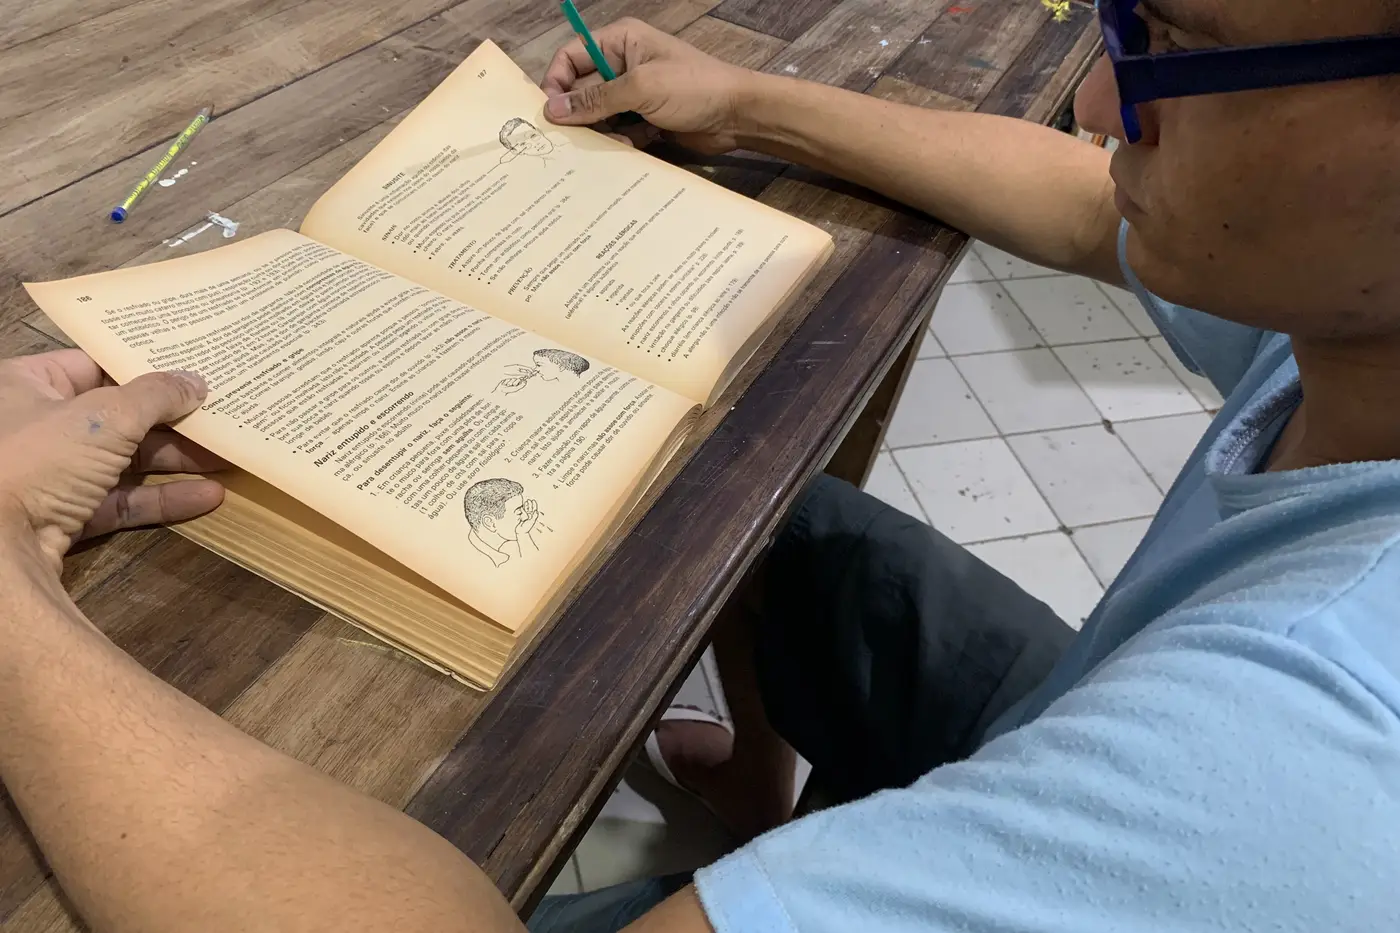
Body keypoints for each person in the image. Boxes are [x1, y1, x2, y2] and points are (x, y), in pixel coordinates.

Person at [2, 2, 1399, 933]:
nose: (1098, 96)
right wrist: (746, 104)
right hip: (1091, 703)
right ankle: (754, 792)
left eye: (1174, 42)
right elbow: (1099, 211)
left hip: (1192, 792)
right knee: (772, 512)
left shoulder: (1297, 763)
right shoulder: (1358, 313)